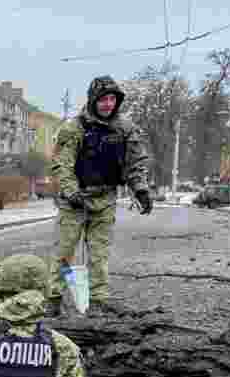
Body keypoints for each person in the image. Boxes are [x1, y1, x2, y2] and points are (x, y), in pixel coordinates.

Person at [49, 75, 153, 316]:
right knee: (64, 251)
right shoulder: (74, 128)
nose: (108, 104)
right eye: (103, 99)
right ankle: (52, 298)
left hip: (105, 199)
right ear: (93, 100)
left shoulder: (125, 129)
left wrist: (141, 189)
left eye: (112, 99)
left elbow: (134, 163)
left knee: (99, 253)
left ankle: (97, 300)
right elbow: (62, 164)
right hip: (74, 200)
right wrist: (71, 191)